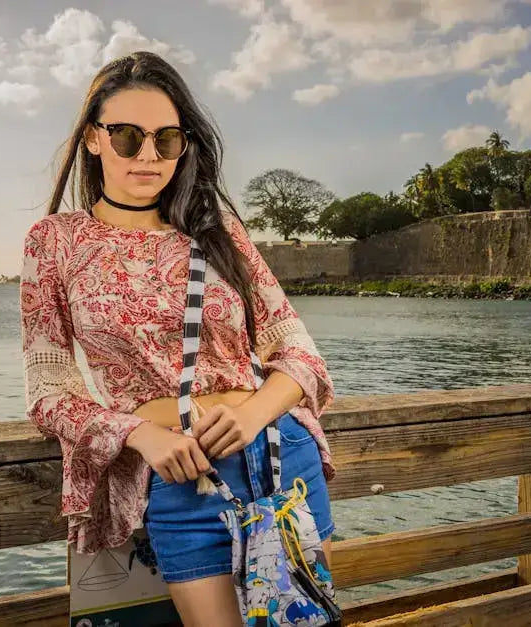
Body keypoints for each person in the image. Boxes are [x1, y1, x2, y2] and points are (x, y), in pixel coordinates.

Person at [19, 51, 336, 625]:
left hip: (279, 456)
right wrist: (139, 434)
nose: (147, 155)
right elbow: (48, 391)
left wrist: (255, 414)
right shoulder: (56, 242)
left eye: (166, 139)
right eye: (127, 136)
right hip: (179, 475)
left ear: (184, 146)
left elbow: (301, 356)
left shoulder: (219, 234)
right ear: (93, 139)